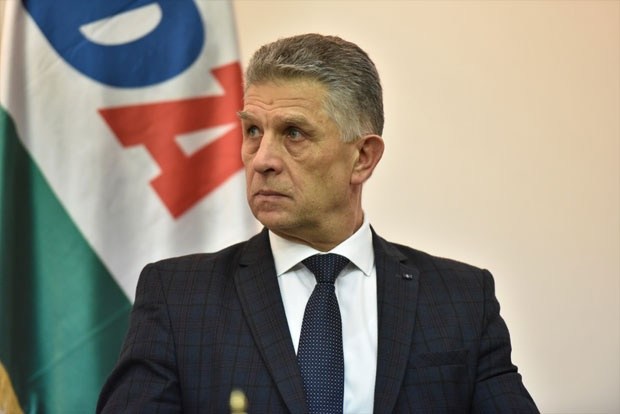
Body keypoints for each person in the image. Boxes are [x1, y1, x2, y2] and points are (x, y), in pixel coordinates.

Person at [97, 33, 538, 413]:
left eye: (293, 133)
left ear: (362, 157)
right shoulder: (178, 297)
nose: (262, 160)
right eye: (253, 131)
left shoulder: (461, 299)